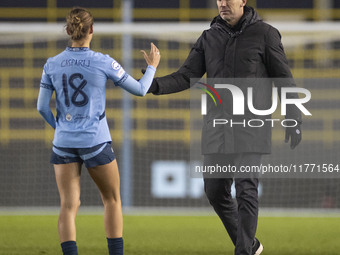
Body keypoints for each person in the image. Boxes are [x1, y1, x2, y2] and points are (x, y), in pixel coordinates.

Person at [147, 1, 302, 255]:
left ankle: (243, 251)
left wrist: (293, 116)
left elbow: (283, 78)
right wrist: (153, 85)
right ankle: (250, 246)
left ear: (242, 1)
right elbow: (187, 75)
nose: (222, 3)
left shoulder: (265, 34)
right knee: (215, 190)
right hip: (217, 128)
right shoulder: (209, 37)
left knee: (246, 188)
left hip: (252, 127)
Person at [37, 7, 160, 255]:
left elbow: (41, 108)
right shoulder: (102, 61)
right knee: (111, 200)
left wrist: (61, 128)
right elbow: (140, 90)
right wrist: (153, 68)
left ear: (69, 30)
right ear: (91, 30)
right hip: (95, 141)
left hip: (63, 142)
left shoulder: (51, 64)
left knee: (68, 206)